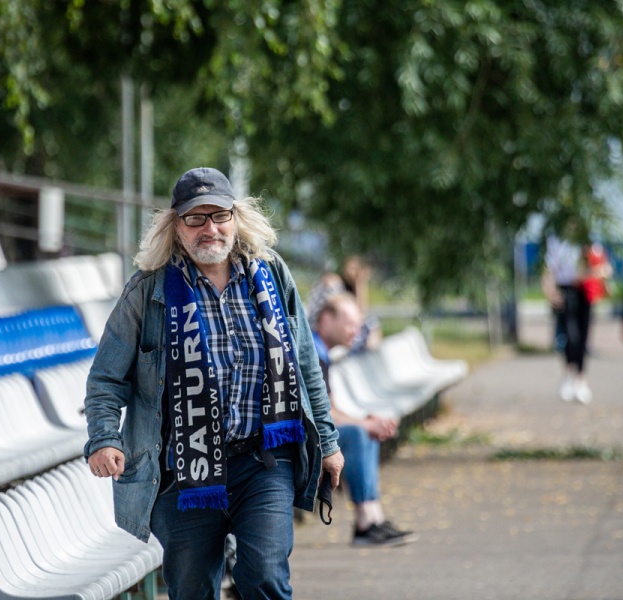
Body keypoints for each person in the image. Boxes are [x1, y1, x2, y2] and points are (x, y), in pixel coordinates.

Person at [83, 166, 343, 600]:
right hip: (181, 472)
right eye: (195, 218)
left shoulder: (271, 275)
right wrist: (104, 439)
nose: (210, 228)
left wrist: (329, 443)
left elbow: (304, 364)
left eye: (220, 215)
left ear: (236, 218)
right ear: (175, 225)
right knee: (192, 589)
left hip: (263, 461)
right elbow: (105, 379)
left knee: (265, 576)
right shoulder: (147, 292)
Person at [312, 292, 418, 546]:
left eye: (358, 325)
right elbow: (320, 414)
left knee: (364, 431)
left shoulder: (322, 353)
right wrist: (364, 424)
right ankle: (365, 522)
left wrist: (366, 421)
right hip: (303, 438)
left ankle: (374, 517)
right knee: (358, 434)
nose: (356, 332)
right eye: (349, 324)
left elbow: (329, 407)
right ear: (326, 320)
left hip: (316, 432)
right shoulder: (311, 353)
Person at [541, 233, 609, 404]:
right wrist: (550, 292)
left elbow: (603, 267)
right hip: (566, 290)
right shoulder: (556, 239)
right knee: (570, 336)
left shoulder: (588, 239)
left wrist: (593, 273)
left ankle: (580, 379)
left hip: (585, 291)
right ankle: (569, 375)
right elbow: (549, 268)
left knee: (583, 336)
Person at [307, 255, 382, 353]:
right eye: (353, 268)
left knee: (371, 324)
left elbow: (359, 316)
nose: (354, 273)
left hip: (330, 332)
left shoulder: (352, 288)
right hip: (316, 331)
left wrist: (359, 284)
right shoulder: (334, 284)